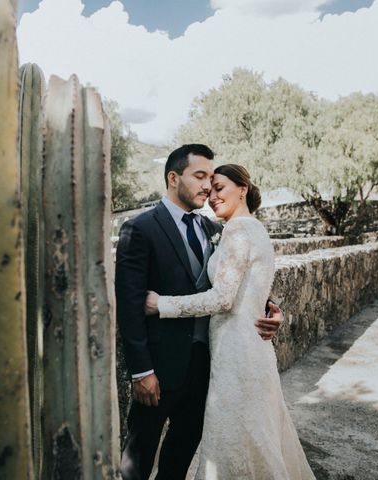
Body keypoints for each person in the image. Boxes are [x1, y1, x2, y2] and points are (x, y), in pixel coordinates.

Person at [116, 144, 285, 480]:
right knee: (139, 456)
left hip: (208, 368)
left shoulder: (215, 230)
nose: (208, 186)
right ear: (173, 177)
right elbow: (130, 304)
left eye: (212, 178)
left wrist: (273, 309)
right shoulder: (141, 228)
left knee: (180, 455)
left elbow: (238, 282)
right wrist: (141, 372)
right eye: (200, 176)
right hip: (159, 369)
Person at [145, 163, 315, 479]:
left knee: (238, 435)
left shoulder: (238, 231)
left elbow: (223, 299)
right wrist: (270, 307)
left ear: (243, 188)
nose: (212, 198)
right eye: (209, 192)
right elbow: (251, 288)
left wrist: (161, 305)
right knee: (254, 434)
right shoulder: (256, 228)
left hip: (236, 352)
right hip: (249, 349)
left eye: (219, 188)